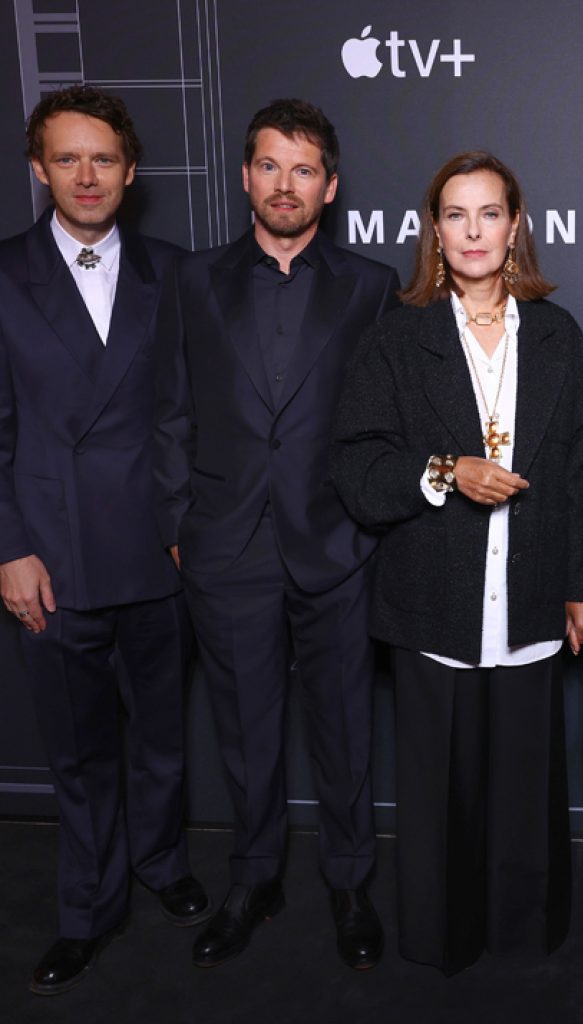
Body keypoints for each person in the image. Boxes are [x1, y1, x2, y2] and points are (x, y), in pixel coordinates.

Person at [330, 151, 583, 976]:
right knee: (438, 793)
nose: (475, 231)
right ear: (435, 231)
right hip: (433, 603)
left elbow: (575, 473)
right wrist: (446, 471)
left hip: (526, 600)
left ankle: (523, 935)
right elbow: (356, 468)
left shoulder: (556, 334)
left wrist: (582, 586)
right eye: (457, 215)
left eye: (491, 214)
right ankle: (441, 939)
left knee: (524, 790)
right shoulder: (398, 335)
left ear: (516, 225)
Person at [152, 99, 399, 971]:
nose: (284, 184)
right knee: (245, 732)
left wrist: (366, 525)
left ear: (328, 187)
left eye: (303, 170)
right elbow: (172, 408)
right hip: (225, 547)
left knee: (343, 731)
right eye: (269, 166)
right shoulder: (193, 280)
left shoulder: (370, 286)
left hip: (333, 545)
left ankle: (349, 881)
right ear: (247, 176)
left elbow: (385, 424)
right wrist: (182, 521)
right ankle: (252, 880)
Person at [0, 86, 206, 996]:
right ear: (39, 169)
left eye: (105, 159)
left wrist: (183, 533)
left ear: (131, 170)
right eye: (68, 159)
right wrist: (9, 548)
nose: (88, 176)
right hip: (49, 554)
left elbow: (189, 419)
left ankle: (160, 864)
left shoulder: (175, 271)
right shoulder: (1, 275)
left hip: (157, 553)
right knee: (79, 752)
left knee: (162, 737)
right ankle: (88, 906)